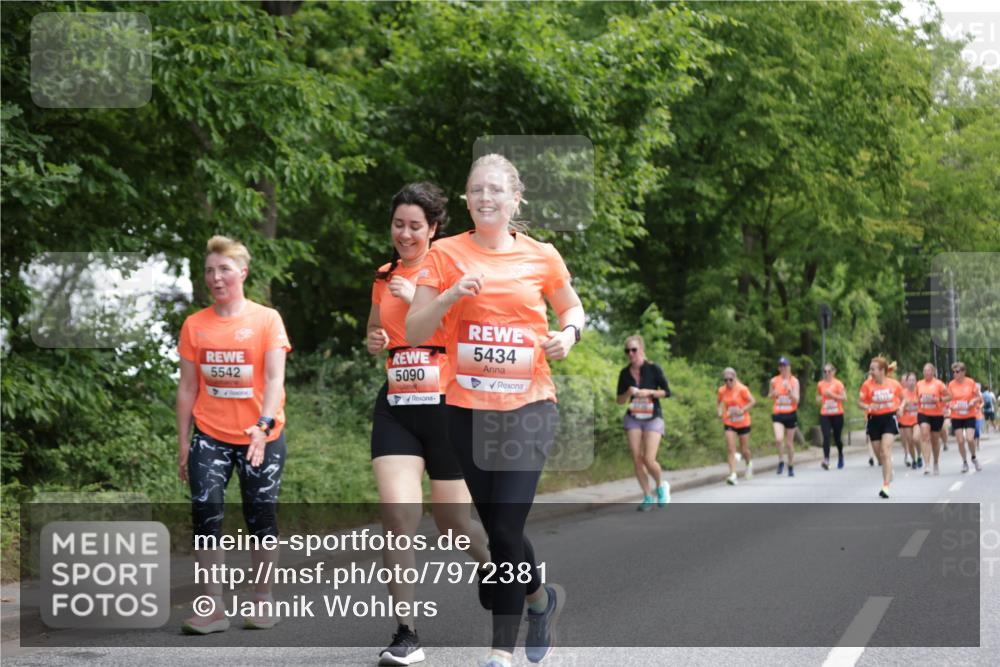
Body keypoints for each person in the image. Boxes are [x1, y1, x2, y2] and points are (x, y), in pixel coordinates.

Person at [406, 154, 585, 667]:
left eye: (496, 191)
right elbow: (416, 330)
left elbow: (571, 307)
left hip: (529, 405)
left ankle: (498, 653)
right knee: (497, 530)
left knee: (505, 532)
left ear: (515, 200)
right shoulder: (443, 255)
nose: (486, 198)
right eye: (477, 190)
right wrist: (450, 297)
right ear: (466, 198)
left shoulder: (541, 256)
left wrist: (567, 335)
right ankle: (538, 598)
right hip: (466, 411)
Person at [366, 183, 491, 666]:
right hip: (397, 403)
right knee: (398, 517)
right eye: (399, 224)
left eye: (415, 225)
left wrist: (419, 298)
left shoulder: (453, 268)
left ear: (433, 228)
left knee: (454, 526)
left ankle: (497, 567)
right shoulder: (384, 275)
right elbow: (376, 331)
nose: (405, 233)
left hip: (445, 403)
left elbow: (467, 328)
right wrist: (375, 339)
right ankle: (406, 633)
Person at [177, 235, 292, 634]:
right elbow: (188, 388)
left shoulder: (266, 320)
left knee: (261, 516)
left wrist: (263, 426)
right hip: (210, 434)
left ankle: (261, 599)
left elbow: (275, 379)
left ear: (242, 272)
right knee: (205, 511)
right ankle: (212, 607)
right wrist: (182, 443)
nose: (216, 277)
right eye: (210, 270)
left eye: (224, 269)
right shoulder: (195, 325)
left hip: (261, 436)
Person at [616, 335, 671, 509]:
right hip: (633, 418)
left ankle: (661, 485)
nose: (631, 354)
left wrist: (650, 392)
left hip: (653, 417)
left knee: (649, 458)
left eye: (634, 350)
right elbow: (619, 400)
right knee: (637, 459)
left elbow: (667, 392)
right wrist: (628, 393)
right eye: (627, 351)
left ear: (641, 349)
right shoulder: (624, 374)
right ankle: (647, 495)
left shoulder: (653, 369)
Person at [858, 357, 904, 499]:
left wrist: (901, 407)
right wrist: (868, 406)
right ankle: (889, 470)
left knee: (885, 450)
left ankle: (885, 486)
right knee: (880, 457)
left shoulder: (894, 384)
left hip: (889, 418)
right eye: (870, 369)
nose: (870, 371)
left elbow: (904, 398)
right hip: (874, 420)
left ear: (882, 370)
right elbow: (859, 402)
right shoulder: (867, 385)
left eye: (873, 369)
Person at [717, 367, 755, 484]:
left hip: (743, 421)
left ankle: (749, 464)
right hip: (729, 422)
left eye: (730, 380)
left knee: (744, 450)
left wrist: (742, 410)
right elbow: (718, 403)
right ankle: (733, 475)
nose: (728, 382)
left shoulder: (742, 389)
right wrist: (719, 412)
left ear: (735, 378)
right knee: (730, 449)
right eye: (725, 380)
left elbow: (752, 401)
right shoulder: (722, 390)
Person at [948, 362, 983, 472]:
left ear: (963, 372)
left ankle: (974, 457)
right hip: (957, 415)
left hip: (969, 414)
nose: (955, 374)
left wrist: (973, 401)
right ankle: (964, 462)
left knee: (969, 438)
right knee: (960, 440)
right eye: (953, 372)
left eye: (957, 371)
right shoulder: (951, 384)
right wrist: (951, 405)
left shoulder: (970, 382)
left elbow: (978, 397)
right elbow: (948, 399)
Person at [916, 363, 950, 476]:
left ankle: (935, 462)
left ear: (933, 372)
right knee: (925, 434)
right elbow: (917, 398)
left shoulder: (939, 384)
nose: (926, 373)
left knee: (935, 440)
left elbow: (950, 397)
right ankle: (927, 464)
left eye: (928, 371)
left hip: (936, 414)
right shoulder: (919, 384)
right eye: (924, 371)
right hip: (923, 413)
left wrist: (939, 399)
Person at [768, 357, 800, 476]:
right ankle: (781, 460)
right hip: (778, 413)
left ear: (789, 367)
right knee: (778, 438)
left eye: (785, 366)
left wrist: (790, 392)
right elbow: (770, 395)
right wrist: (773, 394)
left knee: (789, 443)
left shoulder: (794, 381)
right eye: (781, 366)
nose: (783, 368)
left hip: (791, 414)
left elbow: (797, 400)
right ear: (778, 368)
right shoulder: (774, 380)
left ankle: (790, 465)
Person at [816, 363, 846, 470]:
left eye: (829, 371)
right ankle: (826, 459)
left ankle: (840, 455)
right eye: (825, 371)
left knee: (837, 438)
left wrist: (832, 395)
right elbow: (818, 397)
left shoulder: (838, 384)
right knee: (826, 436)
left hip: (837, 413)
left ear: (834, 371)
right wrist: (819, 398)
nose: (827, 374)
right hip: (825, 413)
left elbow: (844, 398)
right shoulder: (820, 384)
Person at [898, 372, 921, 469]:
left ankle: (919, 456)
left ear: (916, 381)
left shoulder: (919, 391)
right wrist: (901, 409)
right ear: (906, 382)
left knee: (916, 438)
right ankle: (914, 460)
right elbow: (898, 405)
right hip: (906, 420)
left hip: (917, 419)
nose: (911, 382)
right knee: (910, 441)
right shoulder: (902, 393)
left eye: (913, 380)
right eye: (909, 380)